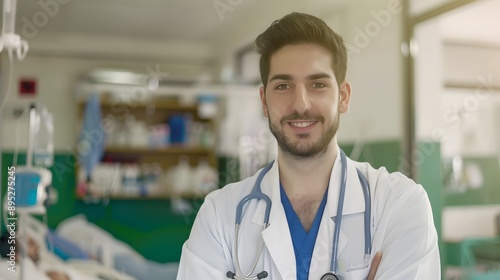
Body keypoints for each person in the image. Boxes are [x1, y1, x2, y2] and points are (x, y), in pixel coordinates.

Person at [177, 12, 440, 280]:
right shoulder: (220, 215)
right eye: (282, 86)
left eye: (317, 84)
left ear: (343, 97)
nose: (301, 104)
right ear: (264, 102)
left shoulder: (399, 205)